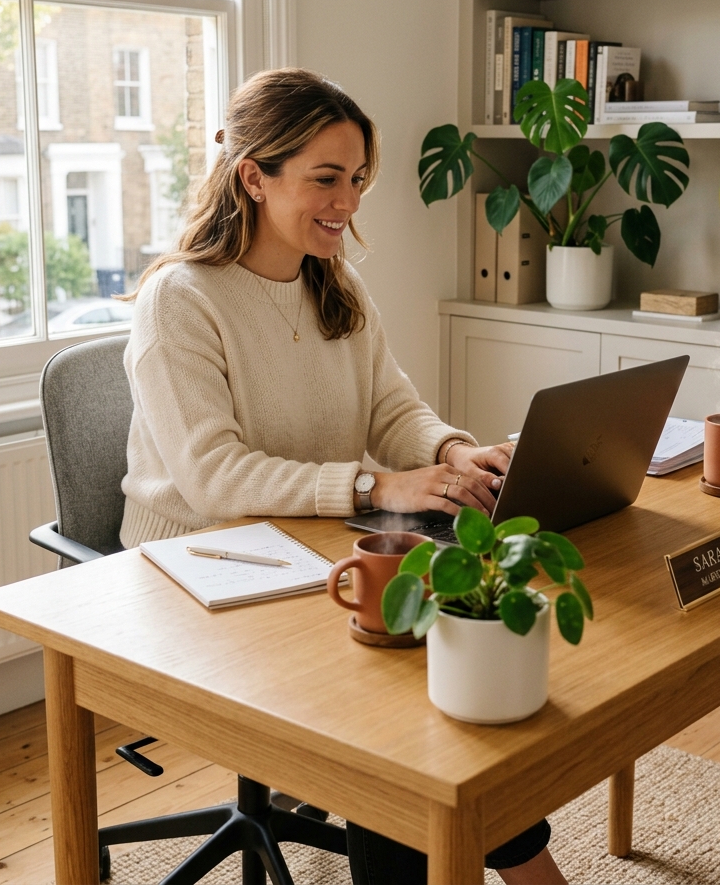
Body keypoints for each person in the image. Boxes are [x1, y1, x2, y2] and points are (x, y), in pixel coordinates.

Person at [119, 67, 566, 885]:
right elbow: (214, 480)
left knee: (452, 653)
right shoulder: (179, 302)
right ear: (254, 175)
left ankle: (494, 847)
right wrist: (375, 488)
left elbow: (394, 410)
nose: (349, 202)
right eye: (326, 178)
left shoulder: (337, 284)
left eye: (357, 179)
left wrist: (449, 452)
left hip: (311, 547)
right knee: (401, 706)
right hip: (197, 567)